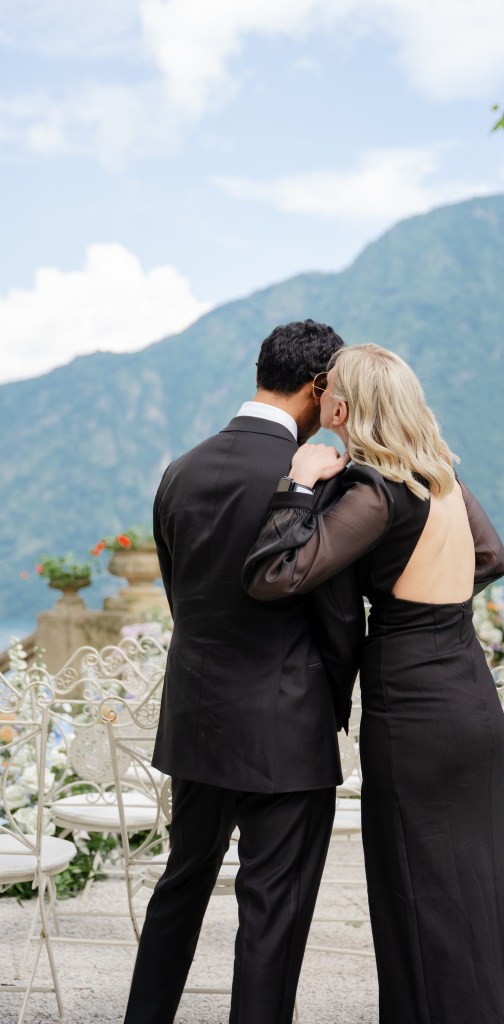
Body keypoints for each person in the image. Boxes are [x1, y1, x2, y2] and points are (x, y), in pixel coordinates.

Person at [242, 344, 504, 1024]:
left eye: (328, 388)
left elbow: (275, 575)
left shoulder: (374, 492)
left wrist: (299, 485)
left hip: (414, 709)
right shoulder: (442, 480)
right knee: (475, 892)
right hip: (469, 690)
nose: (320, 395)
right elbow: (490, 557)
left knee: (416, 894)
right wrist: (429, 597)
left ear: (341, 408)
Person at [123, 320, 367, 1024]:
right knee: (272, 911)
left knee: (181, 884)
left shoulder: (181, 470)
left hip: (196, 718)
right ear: (318, 385)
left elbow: (180, 596)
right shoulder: (315, 477)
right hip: (287, 727)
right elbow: (337, 617)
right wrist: (335, 704)